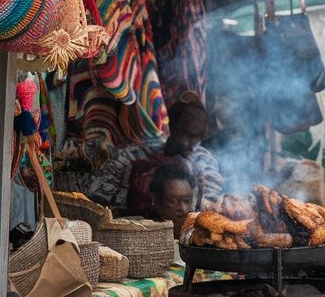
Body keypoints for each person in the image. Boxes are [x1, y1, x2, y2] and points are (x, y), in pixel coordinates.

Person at [83, 95, 223, 213]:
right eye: (183, 133)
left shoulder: (205, 163)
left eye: (196, 137)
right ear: (172, 127)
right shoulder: (131, 156)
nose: (188, 143)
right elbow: (98, 201)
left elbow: (209, 209)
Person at [146, 161, 195, 238]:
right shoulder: (145, 237)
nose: (183, 209)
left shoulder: (197, 238)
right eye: (173, 201)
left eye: (187, 201)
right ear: (156, 201)